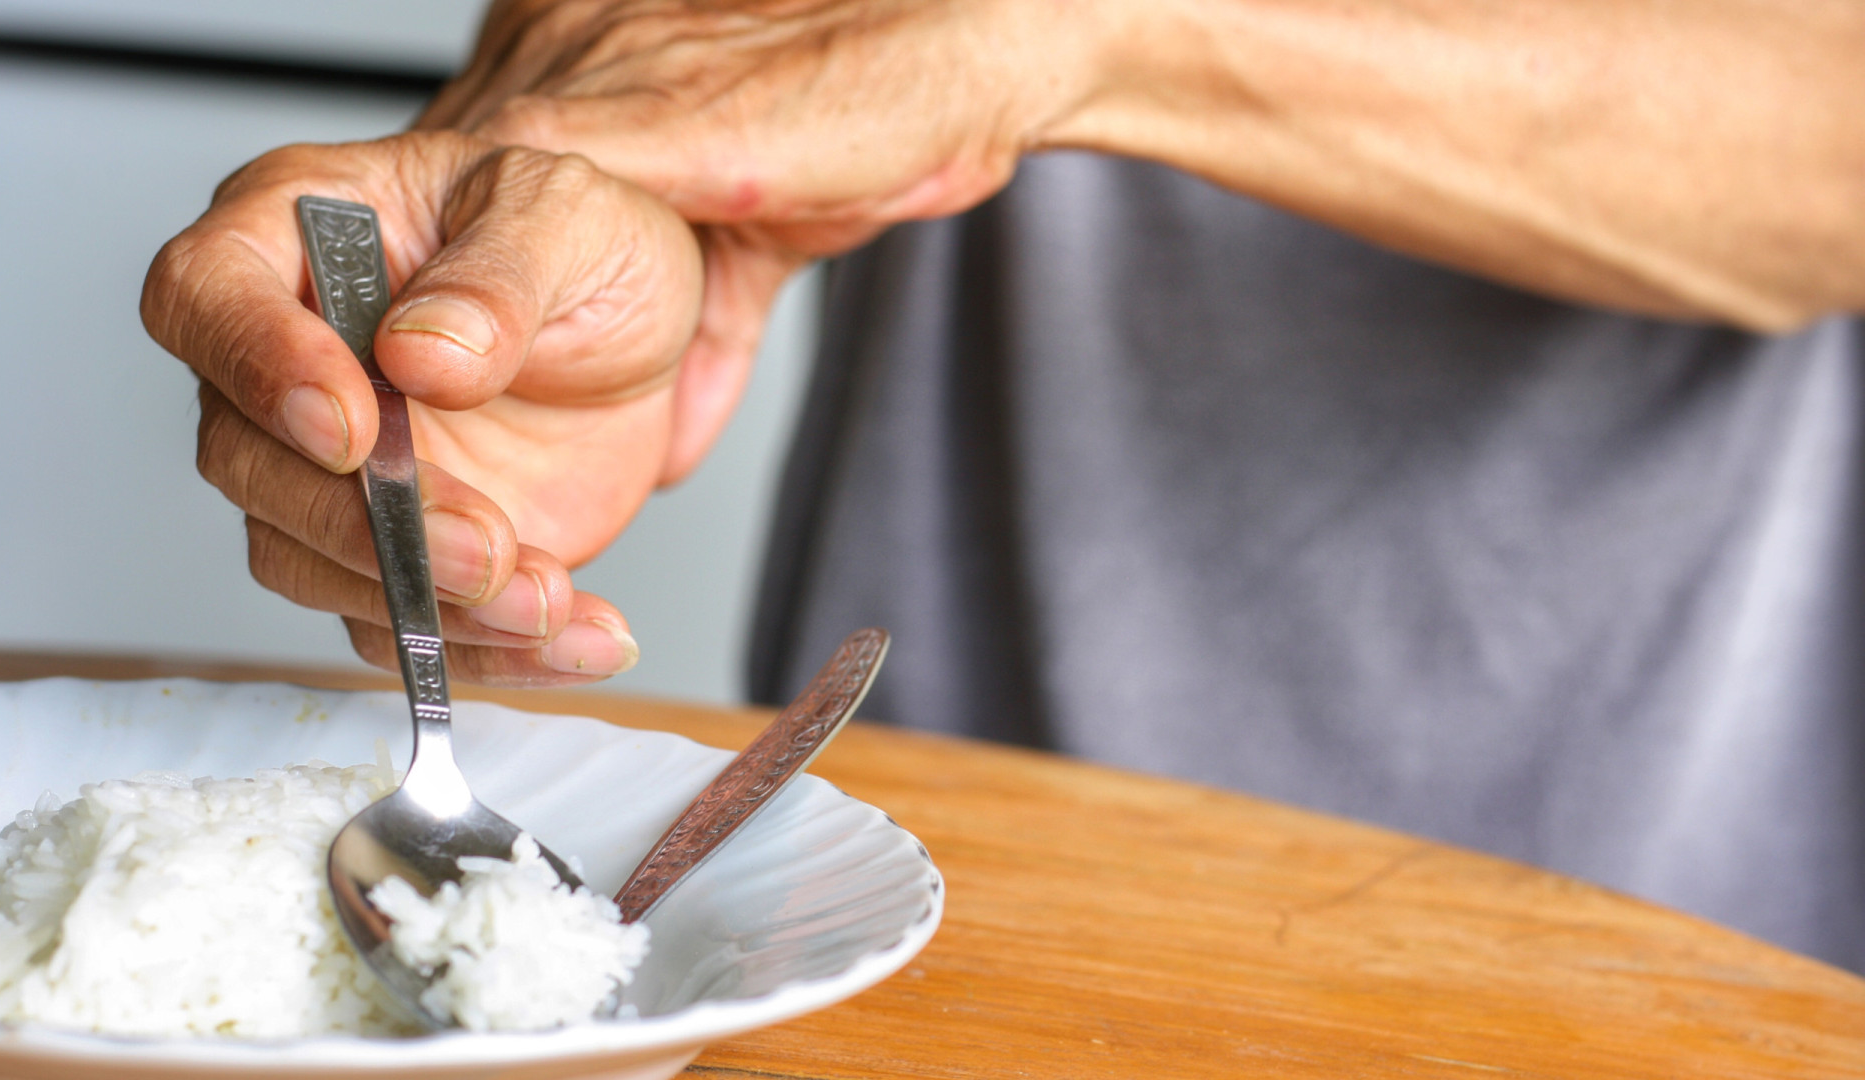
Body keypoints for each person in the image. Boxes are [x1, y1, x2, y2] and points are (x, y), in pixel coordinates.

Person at [142, 0, 1865, 970]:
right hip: (901, 879)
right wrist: (548, 204)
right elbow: (676, 30)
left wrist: (1070, 38)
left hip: (1651, 905)